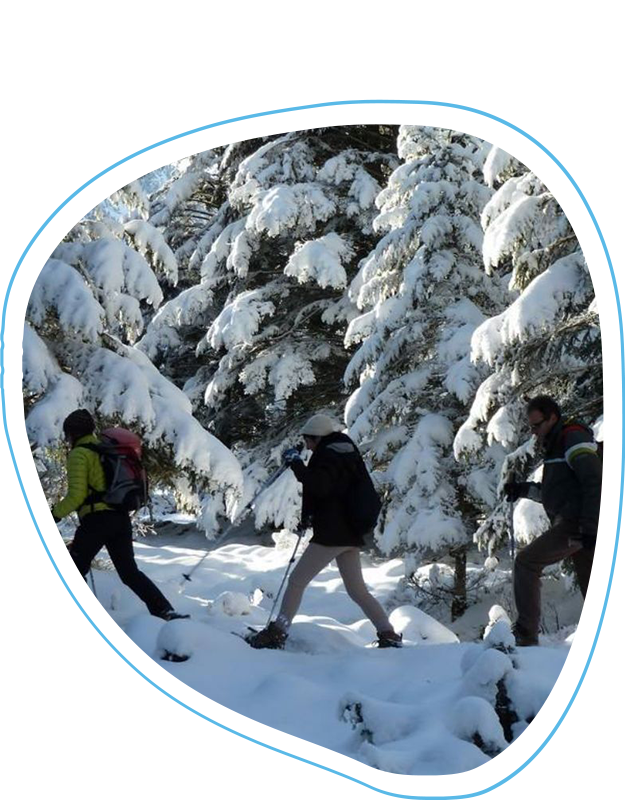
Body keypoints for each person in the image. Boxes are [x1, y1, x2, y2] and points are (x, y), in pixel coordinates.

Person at [247, 414, 402, 650]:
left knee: (296, 581)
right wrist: (307, 517)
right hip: (350, 531)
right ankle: (388, 634)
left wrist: (296, 464)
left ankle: (277, 632)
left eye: (308, 440)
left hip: (333, 534)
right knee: (357, 590)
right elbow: (331, 492)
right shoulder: (345, 452)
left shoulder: (328, 455)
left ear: (317, 438)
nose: (307, 445)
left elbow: (318, 485)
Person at [52, 409, 187, 633]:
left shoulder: (79, 454)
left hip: (97, 520)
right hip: (120, 519)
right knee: (129, 572)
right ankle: (165, 611)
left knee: (74, 570)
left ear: (72, 433)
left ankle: (74, 622)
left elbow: (76, 496)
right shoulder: (106, 450)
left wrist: (53, 514)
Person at [504, 396, 602, 647]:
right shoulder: (556, 443)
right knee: (592, 583)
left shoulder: (572, 438)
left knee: (526, 562)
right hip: (579, 522)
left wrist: (590, 528)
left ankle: (525, 634)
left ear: (553, 418)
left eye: (537, 426)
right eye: (531, 427)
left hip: (578, 523)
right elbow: (557, 493)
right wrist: (523, 490)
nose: (534, 433)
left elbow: (594, 481)